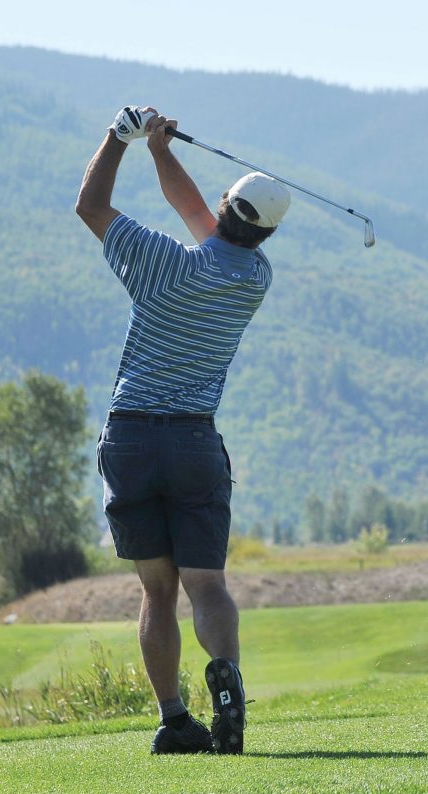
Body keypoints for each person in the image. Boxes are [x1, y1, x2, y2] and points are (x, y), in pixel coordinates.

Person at [75, 106, 291, 755]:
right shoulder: (253, 278)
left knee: (157, 590)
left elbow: (90, 205)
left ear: (225, 205)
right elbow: (205, 220)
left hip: (132, 438)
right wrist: (162, 154)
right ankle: (227, 691)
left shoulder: (162, 265)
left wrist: (125, 138)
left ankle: (175, 719)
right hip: (195, 441)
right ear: (265, 234)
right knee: (208, 585)